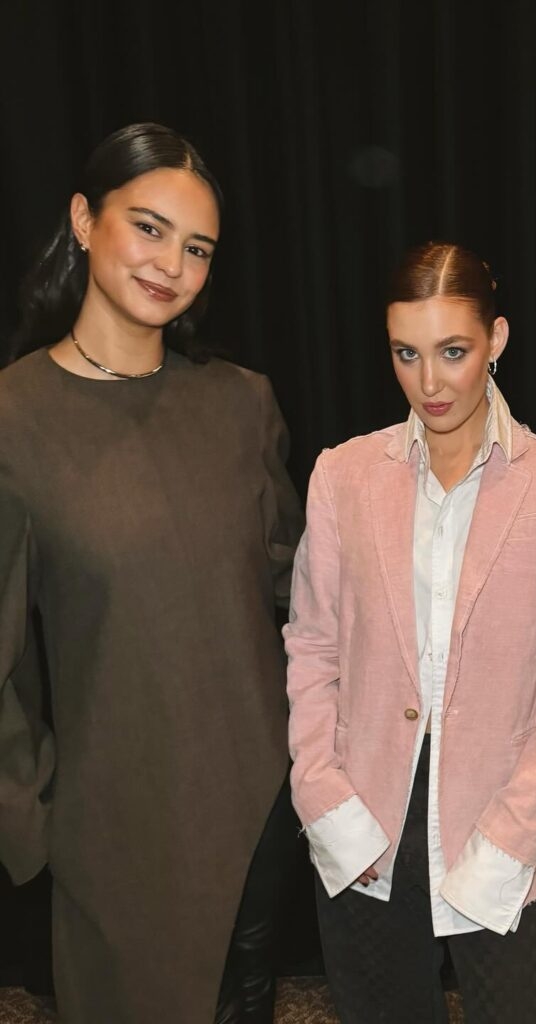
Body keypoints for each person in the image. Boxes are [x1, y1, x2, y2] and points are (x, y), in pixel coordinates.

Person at [0, 123, 303, 1024]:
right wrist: (32, 820)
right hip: (113, 830)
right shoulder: (15, 418)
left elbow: (299, 599)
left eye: (198, 246)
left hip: (257, 812)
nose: (172, 263)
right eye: (150, 227)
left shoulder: (242, 404)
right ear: (85, 221)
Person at [284, 241, 536, 1023]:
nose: (429, 382)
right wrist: (321, 792)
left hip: (503, 825)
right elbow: (313, 644)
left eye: (453, 351)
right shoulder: (343, 475)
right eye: (406, 353)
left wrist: (515, 835)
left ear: (497, 340)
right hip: (364, 822)